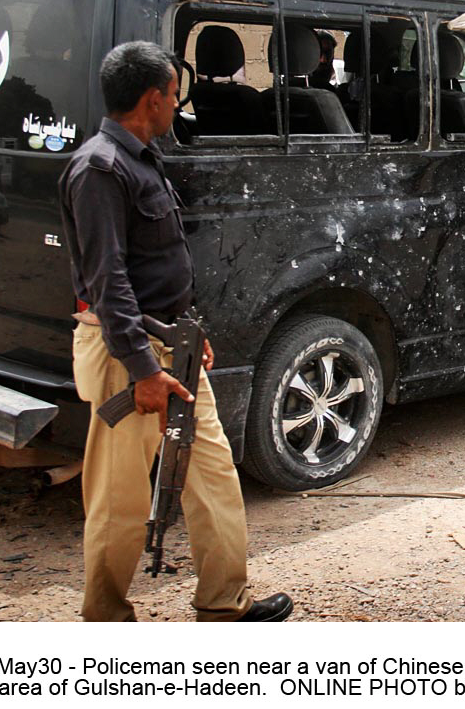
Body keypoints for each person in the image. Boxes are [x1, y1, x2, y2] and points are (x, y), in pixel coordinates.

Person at [60, 41, 293, 622]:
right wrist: (143, 370)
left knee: (212, 472)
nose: (176, 103)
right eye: (171, 93)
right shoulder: (99, 169)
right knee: (120, 498)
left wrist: (191, 332)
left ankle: (223, 601)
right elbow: (108, 280)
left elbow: (159, 262)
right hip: (130, 356)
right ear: (150, 99)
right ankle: (105, 617)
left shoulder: (140, 157)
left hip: (176, 348)